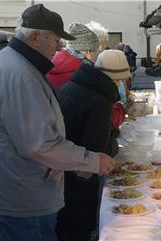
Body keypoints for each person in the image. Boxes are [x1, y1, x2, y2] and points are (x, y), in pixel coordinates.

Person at [0, 4, 115, 241]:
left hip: (22, 189)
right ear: (35, 37)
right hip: (25, 197)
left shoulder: (17, 64)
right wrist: (92, 160)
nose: (60, 46)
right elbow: (39, 144)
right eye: (55, 39)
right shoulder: (20, 73)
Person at [56, 49, 126, 241]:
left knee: (63, 225)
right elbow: (96, 151)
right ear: (115, 79)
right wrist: (113, 150)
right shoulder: (100, 101)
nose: (121, 85)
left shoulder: (72, 85)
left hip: (61, 169)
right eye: (120, 80)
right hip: (80, 178)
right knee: (79, 227)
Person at [47, 22, 100, 88]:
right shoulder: (85, 74)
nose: (98, 53)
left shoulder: (50, 65)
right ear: (89, 52)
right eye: (97, 50)